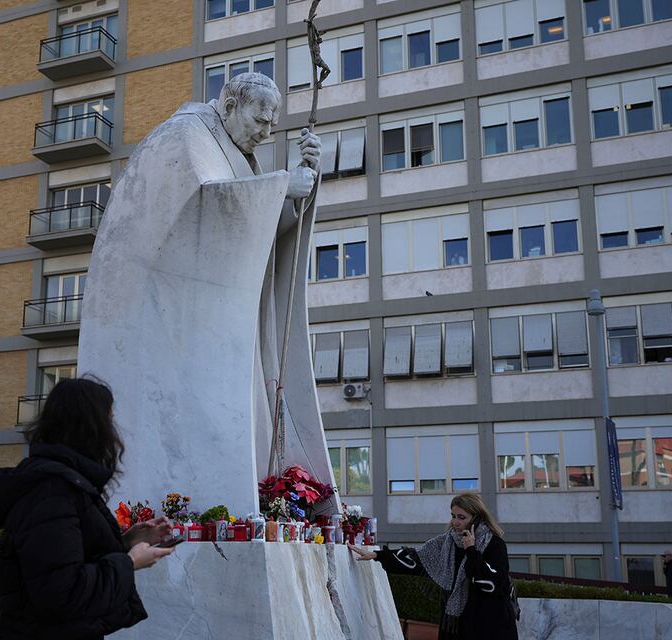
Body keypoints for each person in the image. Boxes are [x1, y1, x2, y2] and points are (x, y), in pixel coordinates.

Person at [78, 71, 335, 517]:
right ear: (231, 105)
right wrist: (278, 187)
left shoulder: (239, 155)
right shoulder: (184, 135)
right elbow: (200, 208)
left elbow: (263, 238)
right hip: (168, 322)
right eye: (259, 120)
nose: (265, 131)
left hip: (215, 319)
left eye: (272, 124)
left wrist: (301, 186)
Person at [0, 377, 175, 639]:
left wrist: (127, 541)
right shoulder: (51, 491)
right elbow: (61, 591)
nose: (113, 432)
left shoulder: (64, 484)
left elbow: (67, 556)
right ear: (91, 426)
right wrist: (129, 563)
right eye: (109, 420)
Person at [349, 493, 518, 640]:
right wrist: (379, 555)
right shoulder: (445, 543)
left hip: (489, 624)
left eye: (462, 517)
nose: (455, 522)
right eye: (453, 516)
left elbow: (493, 583)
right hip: (456, 626)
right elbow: (417, 558)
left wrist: (472, 551)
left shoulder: (494, 544)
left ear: (476, 518)